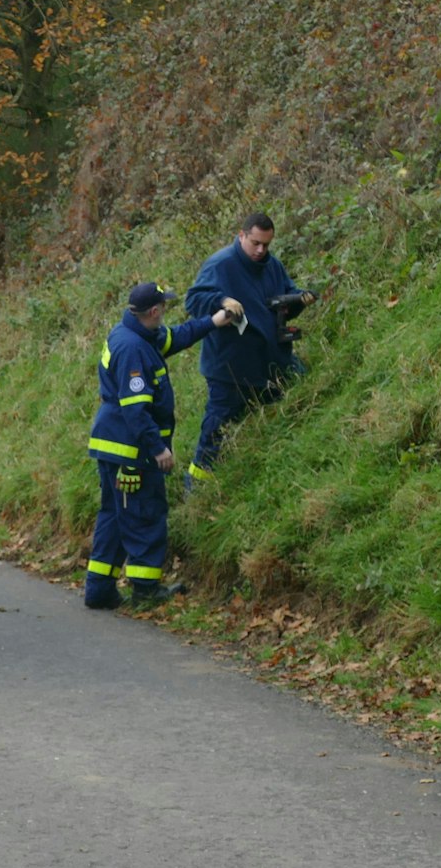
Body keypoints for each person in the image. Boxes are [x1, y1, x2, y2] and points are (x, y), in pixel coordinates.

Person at [84, 281, 243, 610]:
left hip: (112, 444)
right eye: (164, 308)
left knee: (114, 515)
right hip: (132, 452)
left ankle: (99, 589)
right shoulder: (134, 351)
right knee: (144, 514)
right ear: (153, 312)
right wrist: (157, 449)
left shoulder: (134, 333)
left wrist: (214, 321)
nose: (166, 314)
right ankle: (145, 590)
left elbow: (177, 336)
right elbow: (135, 409)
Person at [183, 212, 315, 487]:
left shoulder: (272, 265)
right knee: (216, 430)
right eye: (255, 243)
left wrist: (299, 299)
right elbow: (194, 300)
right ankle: (196, 486)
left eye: (266, 245)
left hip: (272, 362)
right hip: (230, 369)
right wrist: (222, 299)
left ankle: (281, 473)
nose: (260, 250)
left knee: (304, 396)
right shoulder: (221, 265)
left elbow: (285, 297)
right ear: (241, 235)